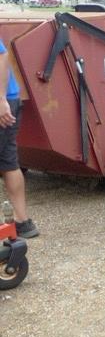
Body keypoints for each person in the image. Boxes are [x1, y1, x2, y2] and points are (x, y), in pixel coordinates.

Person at [0, 38, 38, 238]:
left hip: (4, 102)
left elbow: (2, 56)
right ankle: (22, 223)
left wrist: (1, 99)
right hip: (8, 100)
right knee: (8, 163)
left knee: (8, 162)